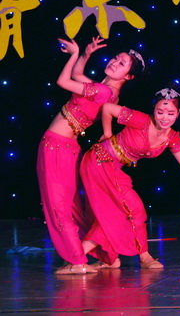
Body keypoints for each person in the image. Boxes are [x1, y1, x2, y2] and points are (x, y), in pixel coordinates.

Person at [79, 88, 180, 269]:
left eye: (170, 113)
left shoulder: (172, 138)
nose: (164, 118)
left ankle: (107, 258)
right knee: (130, 209)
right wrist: (107, 133)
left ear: (178, 113)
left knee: (123, 212)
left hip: (113, 168)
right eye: (160, 112)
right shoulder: (141, 120)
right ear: (153, 110)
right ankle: (82, 258)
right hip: (99, 161)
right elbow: (107, 107)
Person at [37, 36, 145, 275]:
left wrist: (75, 54)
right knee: (70, 206)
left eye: (122, 64)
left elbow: (63, 81)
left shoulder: (104, 91)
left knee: (59, 205)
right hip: (63, 147)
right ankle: (105, 256)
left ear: (129, 77)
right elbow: (77, 75)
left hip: (57, 147)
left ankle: (78, 262)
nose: (114, 62)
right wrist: (86, 54)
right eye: (116, 58)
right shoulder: (107, 91)